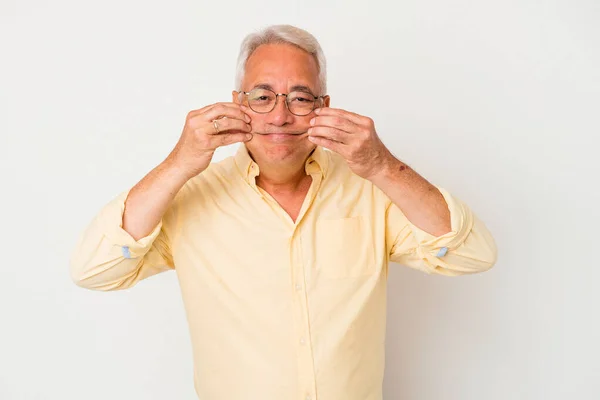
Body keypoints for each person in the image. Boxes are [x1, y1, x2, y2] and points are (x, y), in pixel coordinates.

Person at [70, 24, 497, 400]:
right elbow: (94, 270)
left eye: (300, 98)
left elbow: (472, 254)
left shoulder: (370, 191)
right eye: (262, 97)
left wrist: (384, 166)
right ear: (238, 102)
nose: (280, 115)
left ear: (323, 105)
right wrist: (179, 162)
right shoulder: (189, 198)